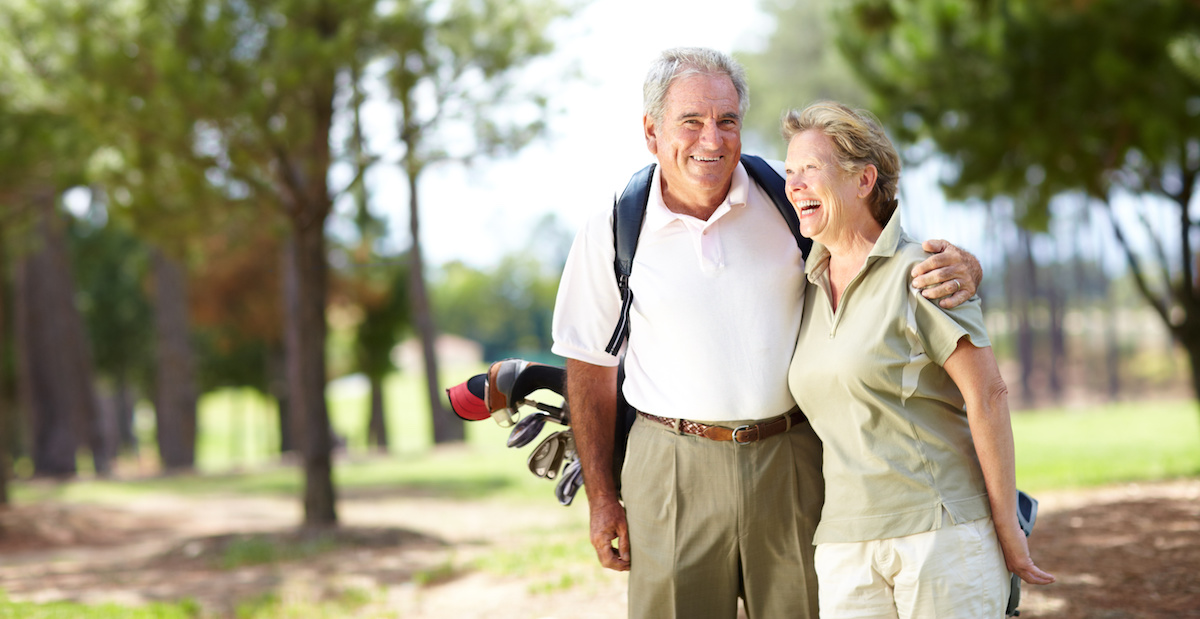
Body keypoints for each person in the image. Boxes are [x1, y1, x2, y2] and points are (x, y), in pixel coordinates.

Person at [550, 48, 981, 619]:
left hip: (791, 460)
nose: (713, 139)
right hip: (670, 468)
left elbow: (881, 258)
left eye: (727, 120)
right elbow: (589, 366)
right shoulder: (613, 226)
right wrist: (602, 499)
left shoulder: (787, 200)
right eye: (692, 122)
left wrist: (967, 266)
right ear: (652, 132)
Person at [782, 100, 1055, 618]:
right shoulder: (804, 286)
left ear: (864, 181)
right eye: (790, 172)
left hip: (941, 533)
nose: (794, 185)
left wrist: (1006, 526)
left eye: (811, 170)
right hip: (843, 543)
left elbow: (988, 395)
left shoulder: (926, 272)